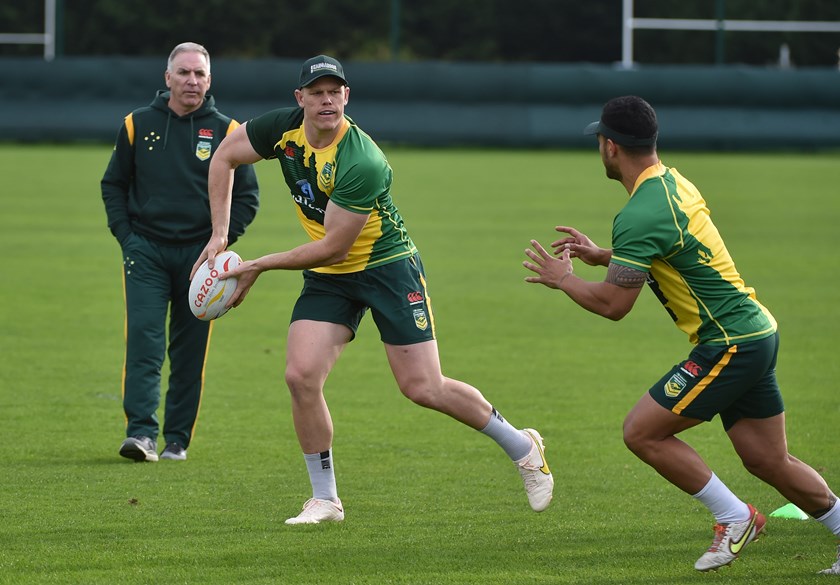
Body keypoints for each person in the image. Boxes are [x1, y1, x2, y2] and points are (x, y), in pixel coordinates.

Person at [191, 54, 553, 523]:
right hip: (331, 277)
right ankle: (325, 498)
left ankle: (523, 446)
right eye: (316, 92)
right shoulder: (282, 130)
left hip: (386, 267)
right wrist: (220, 234)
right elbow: (224, 157)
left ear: (346, 96)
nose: (326, 100)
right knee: (301, 376)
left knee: (423, 387)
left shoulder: (361, 158)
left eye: (334, 91)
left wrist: (256, 265)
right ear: (299, 99)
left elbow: (334, 248)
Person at [523, 95, 840, 575]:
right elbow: (674, 250)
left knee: (643, 432)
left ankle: (735, 518)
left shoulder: (640, 213)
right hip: (756, 330)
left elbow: (614, 306)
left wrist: (563, 278)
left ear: (609, 147)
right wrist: (604, 255)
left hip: (730, 342)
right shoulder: (673, 183)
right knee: (767, 459)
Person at [101, 42, 259, 462]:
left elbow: (247, 198)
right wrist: (127, 237)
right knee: (144, 343)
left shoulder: (229, 132)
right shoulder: (136, 124)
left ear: (210, 81)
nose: (192, 81)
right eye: (184, 73)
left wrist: (221, 241)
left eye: (200, 74)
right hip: (146, 252)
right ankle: (141, 435)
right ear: (167, 77)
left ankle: (176, 441)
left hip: (201, 259)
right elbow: (113, 184)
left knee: (190, 351)